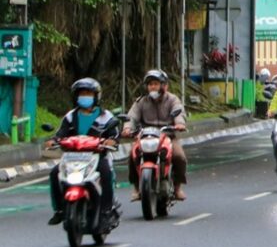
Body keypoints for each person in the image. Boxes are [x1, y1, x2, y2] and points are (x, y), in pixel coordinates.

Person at [46, 78, 120, 225]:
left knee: (106, 173)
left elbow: (114, 134)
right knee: (54, 173)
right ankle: (59, 210)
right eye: (82, 93)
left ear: (96, 96)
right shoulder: (70, 116)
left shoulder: (106, 116)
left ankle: (106, 210)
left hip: (97, 156)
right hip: (72, 157)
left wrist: (111, 141)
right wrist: (54, 141)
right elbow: (60, 133)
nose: (85, 96)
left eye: (88, 93)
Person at [124, 70, 188, 201]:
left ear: (164, 86)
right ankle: (136, 187)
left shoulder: (172, 99)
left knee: (179, 157)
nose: (153, 87)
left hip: (167, 136)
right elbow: (131, 116)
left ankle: (177, 188)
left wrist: (179, 124)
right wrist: (127, 128)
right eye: (150, 84)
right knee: (132, 155)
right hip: (145, 137)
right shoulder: (141, 101)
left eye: (156, 84)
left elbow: (179, 113)